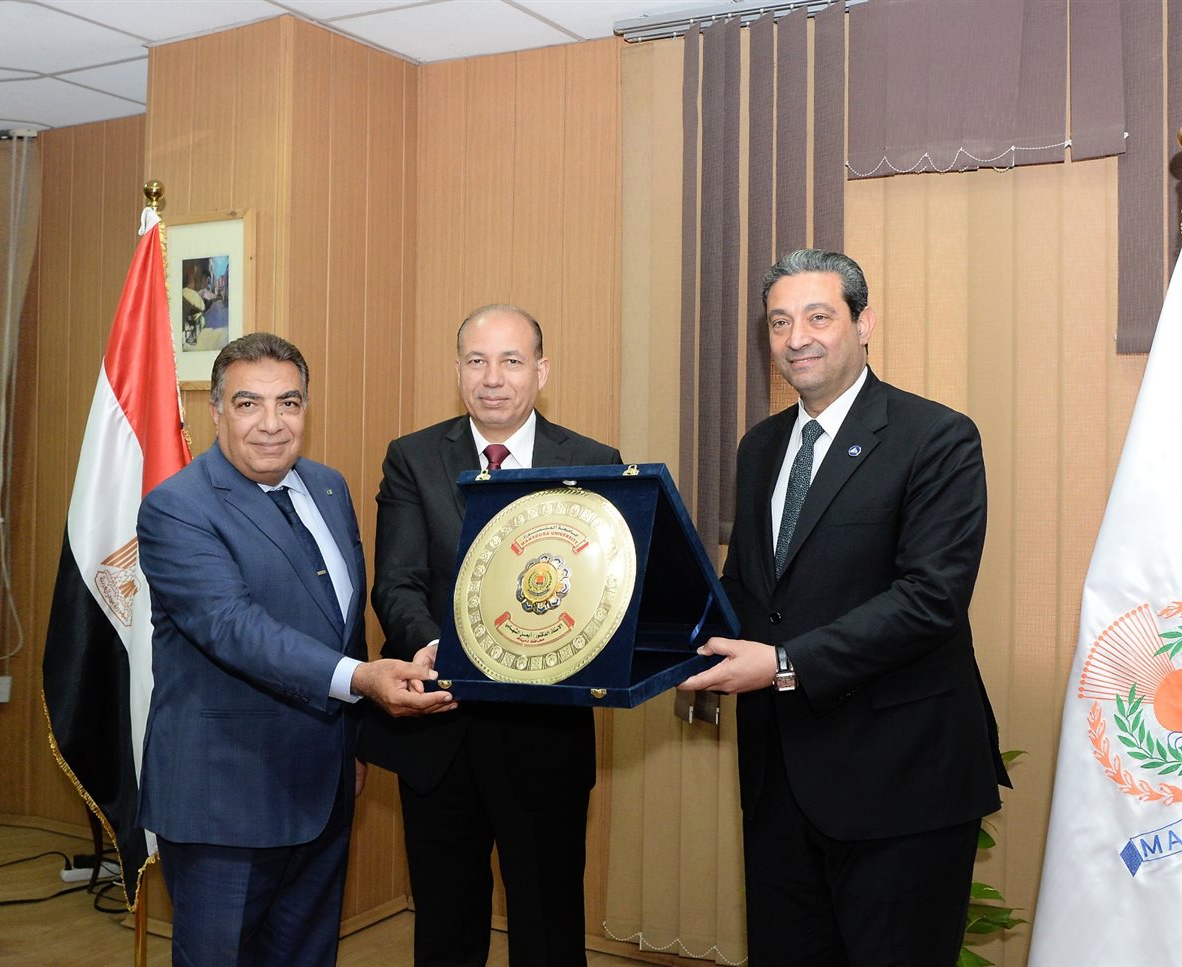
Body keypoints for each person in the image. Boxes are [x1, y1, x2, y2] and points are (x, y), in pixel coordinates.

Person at [679, 250, 1010, 966]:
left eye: (818, 316)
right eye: (779, 322)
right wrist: (655, 634)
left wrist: (784, 664)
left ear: (864, 324)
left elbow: (930, 599)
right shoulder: (760, 447)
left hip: (900, 781)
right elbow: (747, 590)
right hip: (779, 780)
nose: (797, 337)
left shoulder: (936, 437)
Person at [137, 332, 455, 966]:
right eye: (248, 403)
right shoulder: (177, 508)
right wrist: (362, 680)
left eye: (288, 402)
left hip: (323, 785)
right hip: (225, 800)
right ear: (216, 410)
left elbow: (342, 623)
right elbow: (233, 627)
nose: (271, 424)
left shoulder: (328, 488)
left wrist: (354, 741)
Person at [357, 304, 622, 966]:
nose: (493, 378)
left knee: (548, 928)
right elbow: (397, 584)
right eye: (477, 361)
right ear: (458, 371)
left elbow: (605, 597)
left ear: (541, 371)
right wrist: (434, 648)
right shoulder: (414, 458)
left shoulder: (594, 462)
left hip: (545, 736)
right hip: (440, 729)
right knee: (446, 928)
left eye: (511, 361)